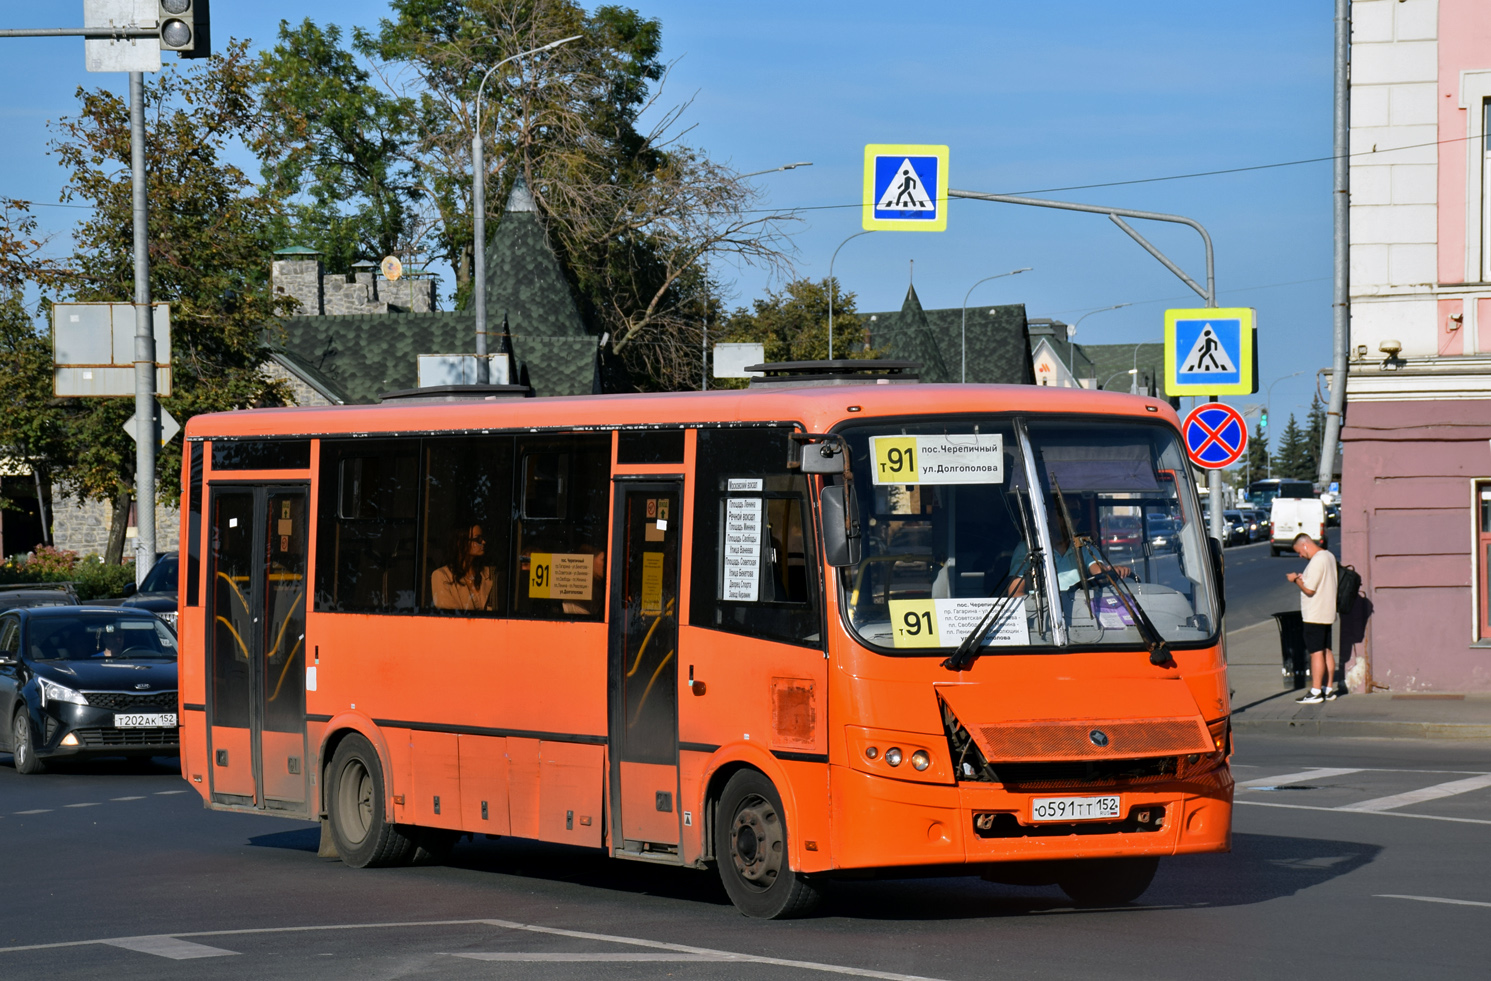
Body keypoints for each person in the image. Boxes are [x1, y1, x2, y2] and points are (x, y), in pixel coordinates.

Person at [1007, 519, 1132, 596]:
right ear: (1048, 514)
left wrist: (1113, 571)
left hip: (1081, 613)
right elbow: (1015, 593)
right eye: (1061, 513)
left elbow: (1099, 571)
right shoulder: (1028, 547)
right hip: (1043, 616)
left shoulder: (1084, 547)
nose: (1068, 519)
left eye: (1075, 513)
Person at [1287, 532, 1338, 703]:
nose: (1300, 555)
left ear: (1305, 545)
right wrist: (1304, 579)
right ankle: (1328, 689)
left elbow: (1310, 590)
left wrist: (1295, 579)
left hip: (1315, 614)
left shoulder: (1317, 560)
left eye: (1300, 552)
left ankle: (1315, 692)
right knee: (1326, 651)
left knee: (1315, 653)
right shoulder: (1329, 556)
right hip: (1327, 611)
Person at [431, 524, 497, 611]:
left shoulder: (488, 574)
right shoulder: (441, 576)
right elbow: (450, 616)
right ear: (461, 543)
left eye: (482, 538)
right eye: (478, 539)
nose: (483, 542)